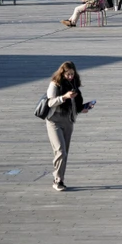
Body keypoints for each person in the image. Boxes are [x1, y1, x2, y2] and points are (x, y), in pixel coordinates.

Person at [44, 60, 91, 191]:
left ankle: (60, 179)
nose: (70, 77)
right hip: (54, 120)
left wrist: (82, 108)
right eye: (68, 74)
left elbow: (74, 104)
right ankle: (57, 180)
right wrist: (64, 97)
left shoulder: (74, 84)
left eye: (72, 74)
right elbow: (50, 103)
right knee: (60, 151)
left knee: (65, 152)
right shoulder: (55, 84)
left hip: (68, 120)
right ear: (62, 73)